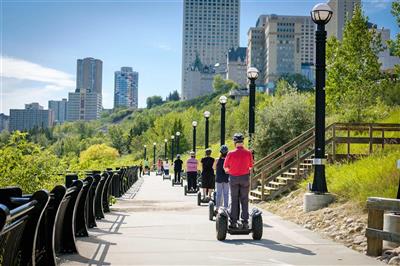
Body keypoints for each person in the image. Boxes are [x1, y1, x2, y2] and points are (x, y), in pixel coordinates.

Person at [224, 133, 254, 229]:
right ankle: (245, 221)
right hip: (245, 178)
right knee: (244, 200)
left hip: (234, 178)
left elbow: (225, 168)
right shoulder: (248, 153)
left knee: (234, 199)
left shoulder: (230, 153)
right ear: (242, 142)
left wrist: (232, 171)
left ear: (234, 142)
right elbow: (250, 166)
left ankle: (233, 221)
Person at [215, 145, 229, 209]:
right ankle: (226, 207)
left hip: (219, 178)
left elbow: (213, 168)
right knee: (226, 194)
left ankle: (217, 207)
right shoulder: (228, 160)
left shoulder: (217, 160)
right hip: (226, 178)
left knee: (218, 194)